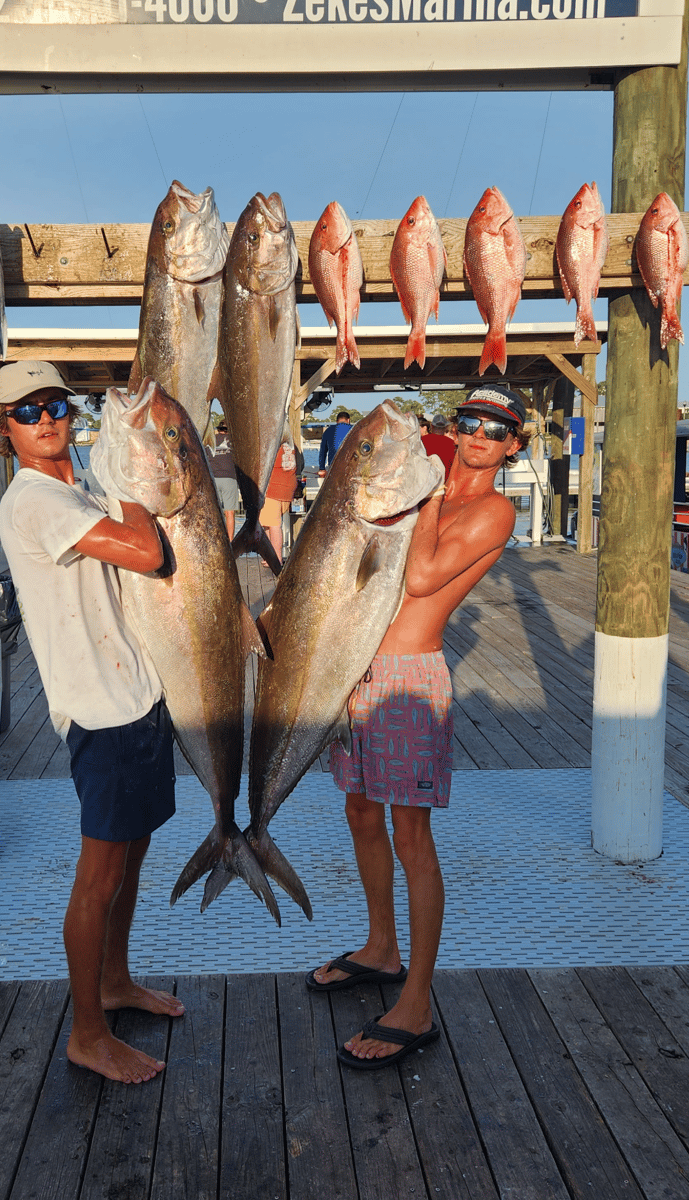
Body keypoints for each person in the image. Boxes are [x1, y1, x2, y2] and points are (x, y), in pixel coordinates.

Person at [308, 385, 530, 1070]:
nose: (477, 437)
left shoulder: (494, 511)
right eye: (468, 423)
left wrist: (428, 494)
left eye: (495, 430)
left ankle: (417, 999)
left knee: (412, 835)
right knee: (359, 812)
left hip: (409, 679)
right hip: (360, 666)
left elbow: (427, 575)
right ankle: (380, 945)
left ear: (513, 445)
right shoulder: (427, 478)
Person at [0, 360, 184, 1085]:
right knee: (98, 875)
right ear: (4, 429)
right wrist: (141, 489)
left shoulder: (81, 487)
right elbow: (146, 548)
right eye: (26, 410)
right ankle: (87, 1033)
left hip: (138, 695)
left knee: (131, 857)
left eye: (54, 405)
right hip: (100, 710)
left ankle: (114, 981)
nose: (45, 419)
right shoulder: (36, 499)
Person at [261, 439, 303, 568]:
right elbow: (300, 463)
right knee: (266, 522)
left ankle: (276, 558)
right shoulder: (291, 444)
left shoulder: (271, 444)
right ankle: (270, 555)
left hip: (274, 486)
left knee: (273, 524)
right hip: (288, 486)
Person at [207, 420, 239, 540]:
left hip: (214, 479)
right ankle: (230, 543)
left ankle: (216, 540)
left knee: (215, 513)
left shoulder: (211, 440)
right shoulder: (235, 442)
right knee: (229, 513)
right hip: (229, 478)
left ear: (219, 429)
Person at [316, 410, 352, 477]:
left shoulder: (328, 430)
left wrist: (322, 468)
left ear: (337, 421)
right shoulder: (353, 429)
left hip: (333, 467)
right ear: (348, 420)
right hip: (350, 466)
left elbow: (323, 452)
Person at [422, 411, 457, 477]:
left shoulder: (422, 440)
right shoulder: (452, 443)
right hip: (445, 484)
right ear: (446, 427)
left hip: (425, 482)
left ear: (432, 426)